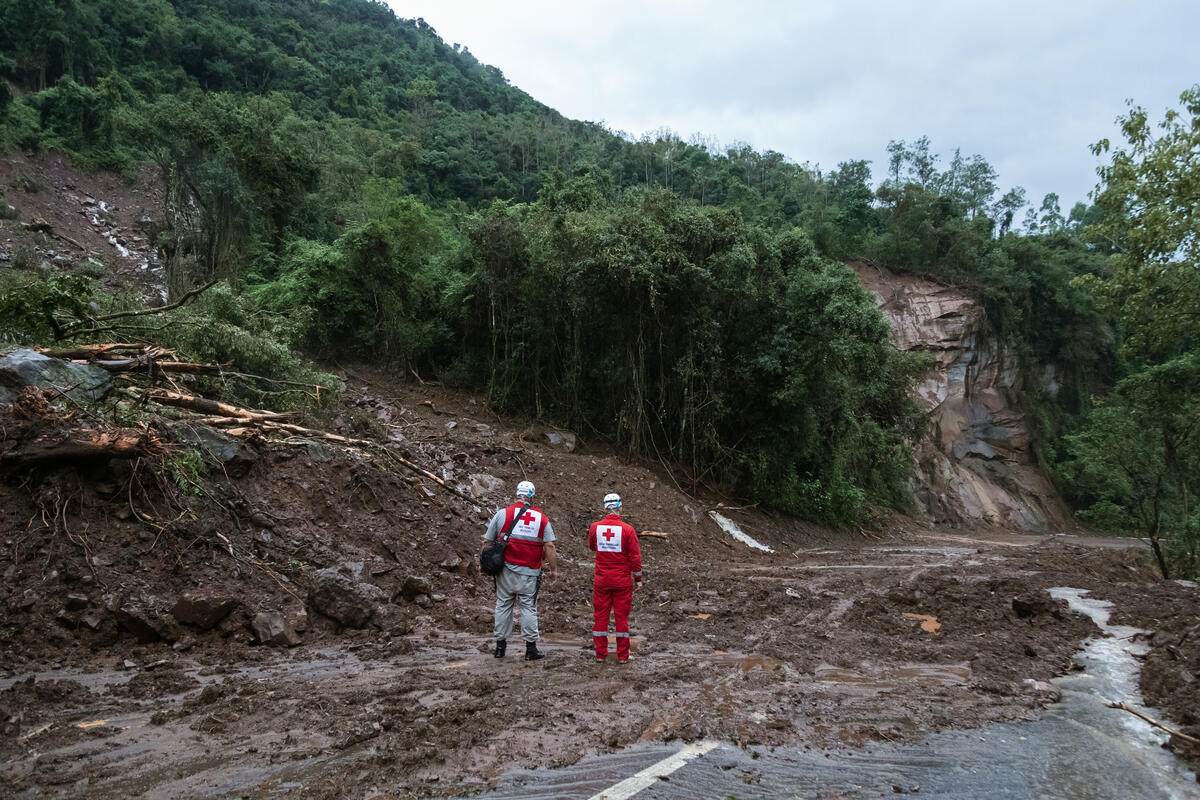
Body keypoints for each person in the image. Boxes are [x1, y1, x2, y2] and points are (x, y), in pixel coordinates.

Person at [482, 480, 557, 660]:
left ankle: (500, 648)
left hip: (504, 571)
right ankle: (530, 650)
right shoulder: (541, 518)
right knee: (528, 608)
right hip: (529, 573)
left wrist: (482, 565)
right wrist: (554, 570)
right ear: (532, 496)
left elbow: (486, 542)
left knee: (502, 606)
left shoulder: (502, 514)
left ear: (516, 494)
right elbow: (549, 546)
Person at [589, 492, 642, 663]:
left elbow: (592, 547)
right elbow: (635, 557)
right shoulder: (628, 530)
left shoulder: (595, 527)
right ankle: (623, 656)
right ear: (620, 507)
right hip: (622, 581)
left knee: (600, 617)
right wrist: (638, 578)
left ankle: (600, 654)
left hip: (601, 580)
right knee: (621, 618)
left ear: (604, 507)